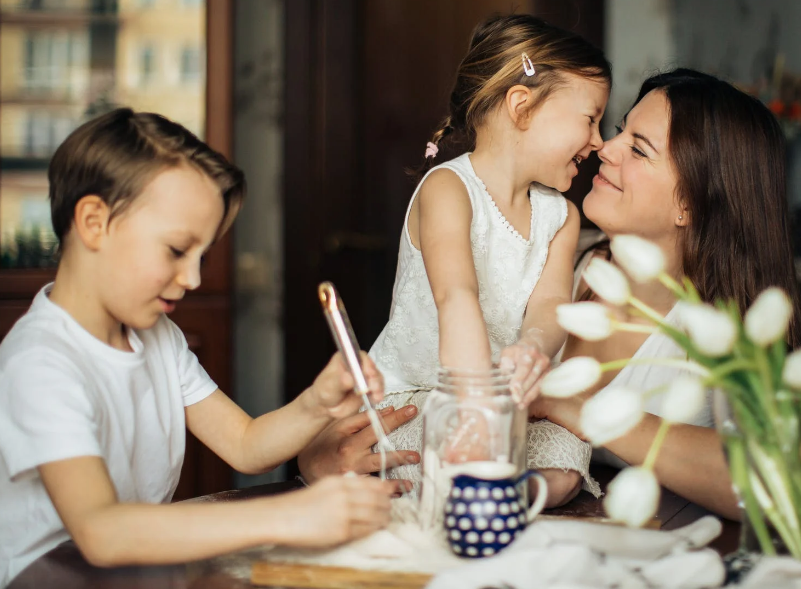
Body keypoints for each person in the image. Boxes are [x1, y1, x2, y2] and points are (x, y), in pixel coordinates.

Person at [0, 109, 395, 586]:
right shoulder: (41, 363)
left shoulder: (156, 336)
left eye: (201, 256)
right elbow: (101, 531)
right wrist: (290, 515)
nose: (192, 279)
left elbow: (246, 446)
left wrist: (316, 402)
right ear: (93, 222)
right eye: (176, 250)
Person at [358, 13, 612, 508]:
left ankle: (500, 495)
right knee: (442, 456)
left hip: (505, 405)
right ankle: (475, 490)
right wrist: (475, 411)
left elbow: (551, 303)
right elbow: (457, 298)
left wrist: (536, 346)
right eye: (591, 119)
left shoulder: (561, 216)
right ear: (522, 106)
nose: (599, 141)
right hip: (420, 397)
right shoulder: (449, 189)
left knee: (566, 461)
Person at [530, 68, 801, 519]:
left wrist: (585, 410)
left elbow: (778, 483)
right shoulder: (553, 258)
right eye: (622, 130)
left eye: (638, 148)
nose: (606, 146)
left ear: (689, 204)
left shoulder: (727, 332)